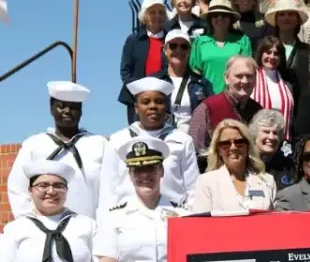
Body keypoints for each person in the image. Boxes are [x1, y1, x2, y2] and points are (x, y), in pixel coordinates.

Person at [8, 81, 108, 219]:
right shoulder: (34, 145)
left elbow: (111, 189)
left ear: (80, 111)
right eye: (61, 106)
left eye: (73, 107)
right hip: (45, 232)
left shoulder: (99, 144)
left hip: (91, 231)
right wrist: (33, 225)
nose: (67, 111)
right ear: (51, 109)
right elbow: (17, 188)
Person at [101, 77, 200, 210]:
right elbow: (107, 190)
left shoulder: (182, 140)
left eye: (159, 101)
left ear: (166, 107)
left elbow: (193, 188)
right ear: (136, 108)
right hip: (127, 220)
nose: (152, 106)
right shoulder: (118, 140)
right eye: (145, 102)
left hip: (171, 217)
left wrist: (189, 218)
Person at [186, 56, 262, 166]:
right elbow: (194, 151)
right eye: (239, 76)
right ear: (226, 78)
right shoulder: (208, 108)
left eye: (249, 76)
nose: (245, 81)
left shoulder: (258, 111)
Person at [191, 119, 277, 213]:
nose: (233, 147)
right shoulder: (206, 182)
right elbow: (201, 223)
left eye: (239, 142)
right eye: (225, 144)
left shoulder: (268, 181)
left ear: (247, 146)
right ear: (218, 150)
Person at [118, 0, 169, 122]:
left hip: (163, 98)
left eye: (161, 12)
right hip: (136, 98)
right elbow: (125, 71)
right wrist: (140, 91)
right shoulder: (133, 40)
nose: (157, 15)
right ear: (144, 16)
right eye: (152, 12)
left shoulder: (171, 40)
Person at [189, 0, 253, 95]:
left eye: (224, 15)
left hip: (235, 98)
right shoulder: (200, 42)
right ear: (210, 18)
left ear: (230, 18)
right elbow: (196, 72)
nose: (220, 18)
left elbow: (247, 72)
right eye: (215, 15)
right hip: (206, 98)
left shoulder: (243, 41)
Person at [156, 29, 215, 134]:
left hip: (194, 143)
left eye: (184, 46)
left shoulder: (202, 83)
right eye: (173, 46)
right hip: (162, 142)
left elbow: (212, 115)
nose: (178, 50)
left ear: (189, 51)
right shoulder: (154, 82)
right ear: (165, 49)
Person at [264, 0, 310, 95]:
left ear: (297, 20)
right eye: (282, 14)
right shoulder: (265, 48)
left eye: (291, 14)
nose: (286, 18)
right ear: (276, 20)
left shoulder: (307, 50)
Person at [250, 36, 295, 131]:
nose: (272, 57)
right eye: (268, 52)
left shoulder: (288, 82)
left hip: (281, 139)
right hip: (255, 138)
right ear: (261, 54)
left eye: (276, 54)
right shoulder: (251, 78)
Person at [249, 108, 293, 190]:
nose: (271, 137)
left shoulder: (287, 165)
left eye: (275, 133)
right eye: (266, 132)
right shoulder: (246, 163)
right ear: (254, 134)